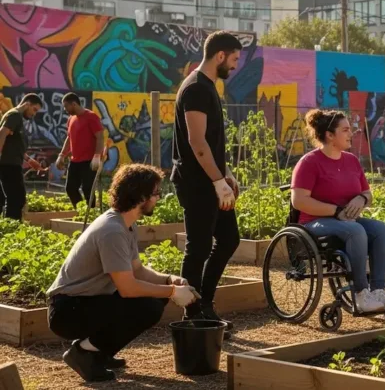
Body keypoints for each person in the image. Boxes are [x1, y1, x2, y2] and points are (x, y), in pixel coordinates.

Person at [47, 164, 200, 383]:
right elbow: (128, 288)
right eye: (156, 193)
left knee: (154, 300)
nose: (158, 198)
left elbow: (137, 270)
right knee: (147, 306)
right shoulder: (112, 231)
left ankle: (99, 352)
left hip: (84, 302)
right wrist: (173, 292)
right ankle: (84, 352)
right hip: (67, 311)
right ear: (141, 196)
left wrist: (169, 280)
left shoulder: (125, 224)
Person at [291, 109, 385, 314]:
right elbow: (299, 201)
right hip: (315, 222)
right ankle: (360, 294)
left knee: (381, 229)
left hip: (348, 221)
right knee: (355, 230)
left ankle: (377, 291)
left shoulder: (351, 160)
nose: (352, 133)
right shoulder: (309, 162)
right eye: (346, 130)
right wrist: (336, 211)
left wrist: (362, 198)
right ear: (330, 135)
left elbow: (367, 193)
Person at [172, 31, 242, 338]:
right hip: (197, 184)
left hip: (212, 181)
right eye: (235, 59)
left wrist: (224, 175)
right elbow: (197, 141)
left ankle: (205, 304)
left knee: (228, 239)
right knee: (198, 247)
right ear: (220, 56)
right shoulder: (197, 88)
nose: (236, 65)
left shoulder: (207, 87)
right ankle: (193, 316)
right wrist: (217, 181)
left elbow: (209, 143)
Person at [55, 93, 105, 208]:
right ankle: (81, 211)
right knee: (70, 188)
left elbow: (100, 137)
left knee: (88, 188)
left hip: (89, 161)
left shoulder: (91, 117)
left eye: (66, 106)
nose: (65, 109)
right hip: (75, 161)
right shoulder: (71, 119)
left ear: (74, 104)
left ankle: (91, 213)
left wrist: (97, 156)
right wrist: (61, 155)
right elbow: (69, 137)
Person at [0, 94, 43, 219]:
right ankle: (12, 229)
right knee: (16, 198)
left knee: (14, 198)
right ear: (27, 104)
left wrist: (29, 160)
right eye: (34, 109)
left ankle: (10, 226)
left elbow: (13, 144)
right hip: (8, 165)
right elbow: (2, 133)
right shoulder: (14, 115)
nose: (34, 114)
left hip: (12, 163)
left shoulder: (15, 116)